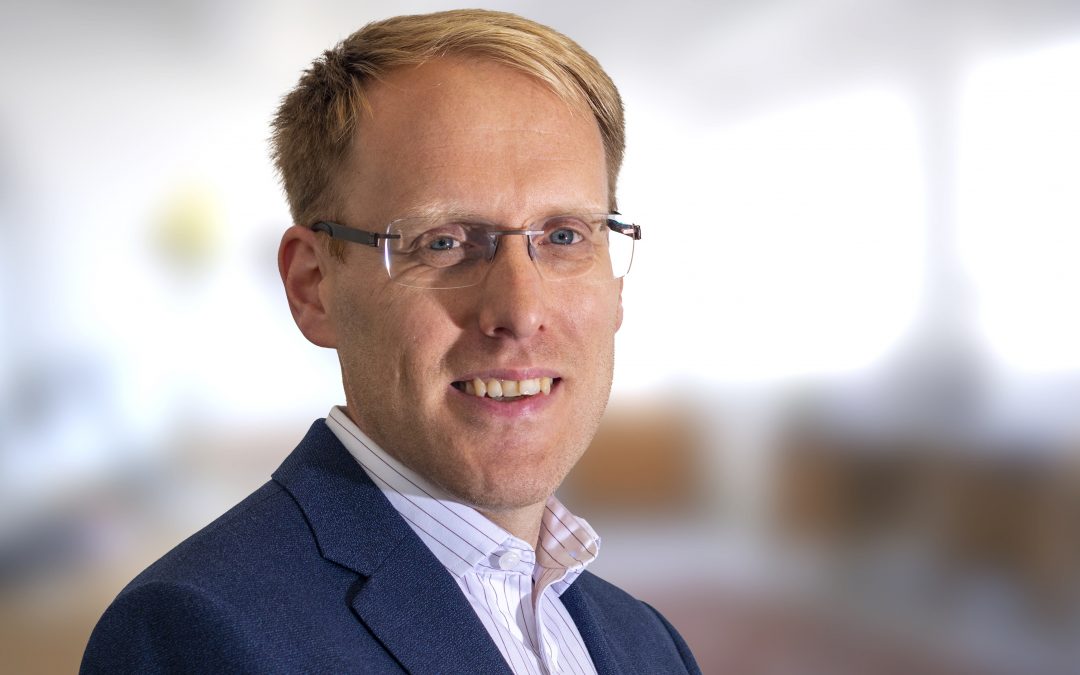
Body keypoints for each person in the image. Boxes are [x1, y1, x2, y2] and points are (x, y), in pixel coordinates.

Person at [81, 9, 700, 674]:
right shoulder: (197, 634)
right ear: (313, 286)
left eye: (565, 236)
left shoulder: (648, 643)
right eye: (444, 242)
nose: (521, 311)